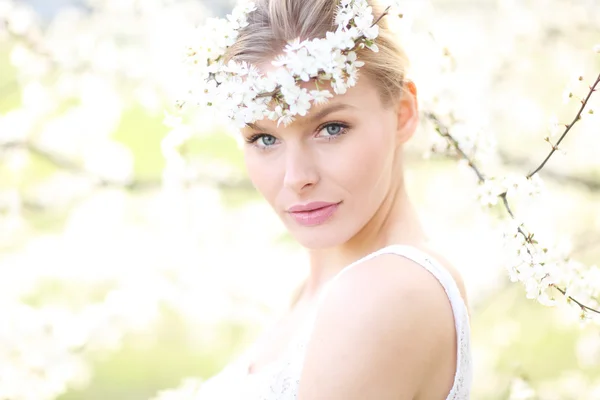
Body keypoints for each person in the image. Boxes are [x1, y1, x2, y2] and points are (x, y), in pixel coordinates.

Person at [188, 0, 472, 398]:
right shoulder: (316, 291)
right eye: (264, 139)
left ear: (403, 113)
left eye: (331, 128)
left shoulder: (386, 293)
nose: (296, 177)